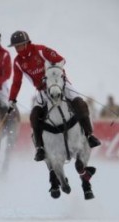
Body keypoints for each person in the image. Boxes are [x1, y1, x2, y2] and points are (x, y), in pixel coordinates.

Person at [6, 30, 101, 162]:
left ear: (27, 43)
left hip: (60, 84)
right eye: (16, 46)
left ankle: (89, 135)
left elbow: (61, 60)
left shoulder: (40, 50)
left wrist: (51, 74)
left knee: (80, 103)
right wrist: (12, 99)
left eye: (20, 45)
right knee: (34, 115)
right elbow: (16, 82)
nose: (18, 48)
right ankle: (40, 148)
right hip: (43, 91)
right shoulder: (17, 62)